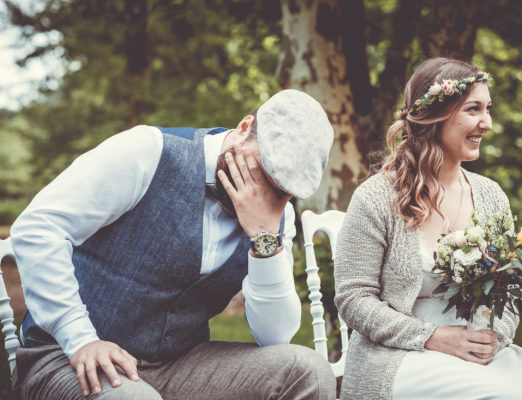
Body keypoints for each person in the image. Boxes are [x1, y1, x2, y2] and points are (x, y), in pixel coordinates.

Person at [10, 89, 337, 399]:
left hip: (178, 365)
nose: (264, 193)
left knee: (307, 371)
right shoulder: (146, 151)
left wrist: (264, 239)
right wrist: (80, 339)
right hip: (68, 357)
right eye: (262, 172)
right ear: (244, 127)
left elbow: (274, 337)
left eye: (280, 189)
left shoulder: (277, 219)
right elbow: (39, 228)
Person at [333, 58, 522, 400]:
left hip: (477, 353)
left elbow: (508, 291)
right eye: (474, 109)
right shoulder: (375, 198)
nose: (486, 123)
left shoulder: (490, 195)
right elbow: (354, 299)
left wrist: (491, 340)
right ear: (436, 115)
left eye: (488, 109)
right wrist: (432, 337)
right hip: (397, 356)